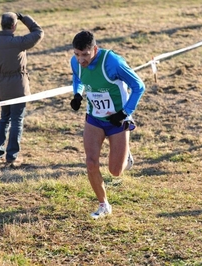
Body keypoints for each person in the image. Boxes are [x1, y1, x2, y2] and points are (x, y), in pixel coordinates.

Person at [69, 30, 145, 219]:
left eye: (85, 55)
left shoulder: (113, 62)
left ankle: (126, 154)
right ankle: (104, 204)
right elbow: (78, 77)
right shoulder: (75, 62)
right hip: (94, 117)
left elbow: (139, 86)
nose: (81, 60)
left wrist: (124, 113)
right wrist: (77, 94)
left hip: (117, 119)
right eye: (77, 54)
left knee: (115, 171)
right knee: (91, 162)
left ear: (95, 49)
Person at [0, 12, 44, 167]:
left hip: (2, 87)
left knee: (4, 119)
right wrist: (24, 18)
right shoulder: (19, 42)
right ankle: (11, 156)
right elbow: (38, 32)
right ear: (14, 26)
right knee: (17, 120)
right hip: (19, 87)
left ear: (1, 24)